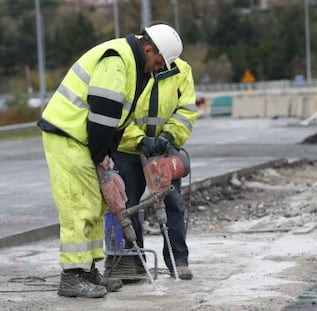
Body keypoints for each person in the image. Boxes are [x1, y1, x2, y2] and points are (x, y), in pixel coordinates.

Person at [37, 24, 183, 298]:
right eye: (157, 61)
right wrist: (101, 156)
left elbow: (117, 120)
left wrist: (106, 157)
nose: (156, 68)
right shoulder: (118, 60)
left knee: (95, 204)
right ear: (148, 48)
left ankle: (88, 269)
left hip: (83, 139)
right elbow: (103, 115)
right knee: (78, 203)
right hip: (68, 135)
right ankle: (71, 276)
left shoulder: (133, 65)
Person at [103, 55, 198, 280]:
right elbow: (117, 113)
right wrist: (139, 139)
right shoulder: (129, 68)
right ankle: (131, 264)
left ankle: (178, 260)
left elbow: (186, 111)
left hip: (164, 148)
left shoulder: (182, 70)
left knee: (172, 203)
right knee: (125, 206)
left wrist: (169, 135)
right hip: (127, 149)